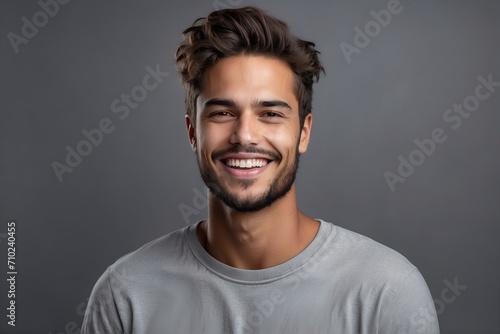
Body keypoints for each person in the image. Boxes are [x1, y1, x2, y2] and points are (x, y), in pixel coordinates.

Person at [82, 6, 439, 334]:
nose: (245, 136)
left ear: (304, 132)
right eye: (222, 112)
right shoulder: (126, 295)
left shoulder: (386, 293)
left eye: (271, 113)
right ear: (193, 132)